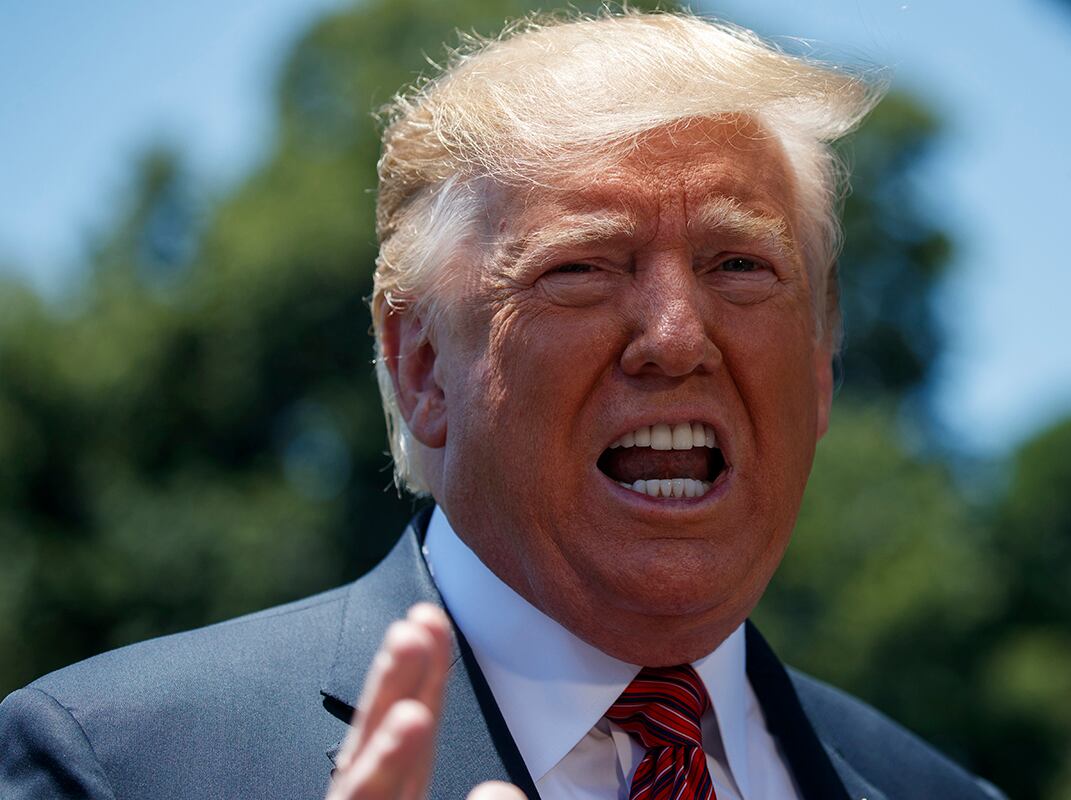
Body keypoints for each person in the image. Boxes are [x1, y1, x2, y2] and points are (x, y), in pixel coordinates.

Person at [0, 10, 1005, 800]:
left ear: (822, 365)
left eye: (739, 265)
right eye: (582, 269)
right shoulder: (112, 762)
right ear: (422, 366)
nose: (676, 335)